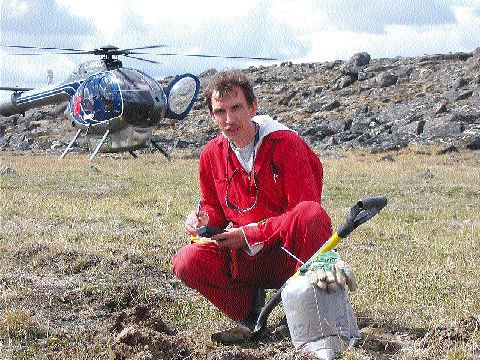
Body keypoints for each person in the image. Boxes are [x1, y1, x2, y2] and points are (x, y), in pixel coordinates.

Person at [171, 70, 333, 340]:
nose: (229, 119)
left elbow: (306, 215)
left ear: (253, 107)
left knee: (311, 215)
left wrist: (249, 234)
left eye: (236, 108)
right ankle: (249, 314)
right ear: (212, 115)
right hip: (247, 257)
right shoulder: (211, 155)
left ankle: (315, 316)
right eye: (220, 111)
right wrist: (203, 222)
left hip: (290, 257)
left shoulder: (287, 144)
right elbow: (214, 208)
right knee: (186, 260)